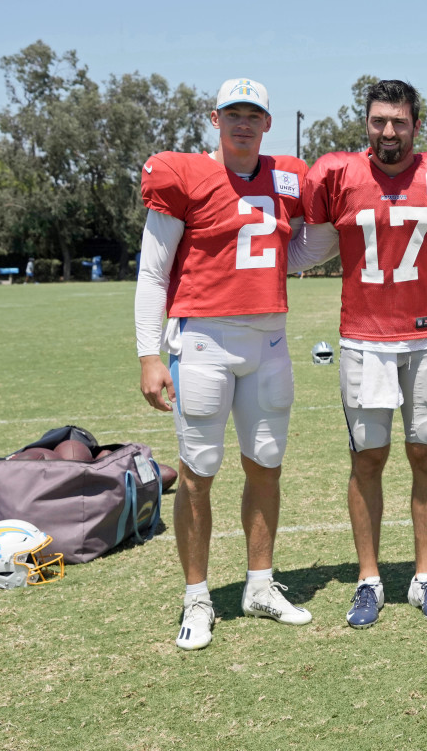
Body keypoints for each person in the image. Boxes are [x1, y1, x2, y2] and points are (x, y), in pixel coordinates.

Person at [135, 78, 312, 651]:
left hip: (269, 340)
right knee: (197, 472)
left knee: (266, 465)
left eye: (253, 114)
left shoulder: (286, 178)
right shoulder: (185, 175)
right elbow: (153, 271)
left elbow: (300, 248)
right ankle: (196, 597)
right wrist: (148, 354)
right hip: (204, 339)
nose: (243, 123)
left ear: (267, 122)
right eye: (233, 113)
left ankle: (258, 585)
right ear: (216, 119)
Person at [293, 79, 427, 627]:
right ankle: (369, 579)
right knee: (368, 458)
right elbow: (308, 243)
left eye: (398, 121)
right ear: (365, 124)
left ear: (417, 125)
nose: (388, 131)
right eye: (378, 121)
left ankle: (424, 575)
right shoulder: (338, 174)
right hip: (365, 340)